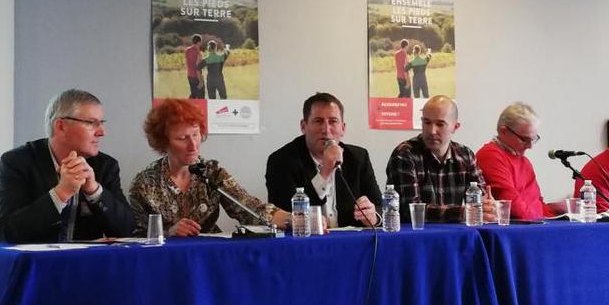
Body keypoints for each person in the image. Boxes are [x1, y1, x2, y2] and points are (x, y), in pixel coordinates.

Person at [129, 98, 288, 236]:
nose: (193, 146)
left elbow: (250, 208)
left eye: (196, 135)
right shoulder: (144, 184)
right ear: (163, 142)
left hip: (209, 256)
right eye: (182, 138)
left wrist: (297, 219)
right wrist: (168, 232)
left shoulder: (213, 173)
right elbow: (134, 235)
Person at [0, 89, 134, 243]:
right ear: (61, 126)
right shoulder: (18, 162)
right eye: (91, 123)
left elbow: (126, 230)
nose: (101, 132)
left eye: (101, 123)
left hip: (87, 263)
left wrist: (94, 191)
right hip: (39, 264)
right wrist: (61, 193)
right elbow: (10, 231)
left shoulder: (105, 166)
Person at [265, 92, 381, 227]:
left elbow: (380, 207)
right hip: (305, 244)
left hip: (350, 242)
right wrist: (326, 170)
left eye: (333, 121)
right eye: (318, 121)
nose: (326, 130)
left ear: (343, 128)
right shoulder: (281, 161)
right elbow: (284, 215)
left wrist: (374, 217)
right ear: (303, 126)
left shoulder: (358, 157)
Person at [387, 95, 494, 223]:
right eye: (427, 122)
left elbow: (480, 201)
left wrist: (488, 206)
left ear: (455, 127)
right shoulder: (405, 154)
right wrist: (463, 213)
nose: (432, 131)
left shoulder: (466, 155)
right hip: (416, 236)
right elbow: (410, 210)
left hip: (454, 235)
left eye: (440, 124)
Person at [476, 102, 564, 219]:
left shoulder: (524, 162)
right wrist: (540, 220)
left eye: (533, 139)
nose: (530, 146)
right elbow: (512, 205)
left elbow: (536, 203)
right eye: (524, 139)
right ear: (503, 131)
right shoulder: (490, 156)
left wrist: (558, 211)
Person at [184, 33, 204, 99]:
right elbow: (198, 67)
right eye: (200, 42)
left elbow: (186, 63)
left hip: (189, 76)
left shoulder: (187, 50)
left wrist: (189, 73)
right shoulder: (198, 53)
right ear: (199, 42)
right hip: (197, 77)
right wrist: (200, 81)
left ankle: (187, 105)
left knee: (193, 94)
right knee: (201, 97)